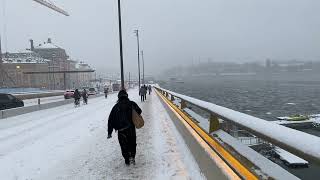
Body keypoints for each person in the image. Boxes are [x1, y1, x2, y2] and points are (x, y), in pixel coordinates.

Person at [107, 90, 142, 166]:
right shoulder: (132, 104)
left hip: (121, 131)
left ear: (119, 97)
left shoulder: (115, 107)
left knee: (123, 145)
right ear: (126, 96)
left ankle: (127, 160)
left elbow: (110, 120)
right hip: (131, 129)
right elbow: (139, 111)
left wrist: (109, 132)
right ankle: (132, 157)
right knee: (132, 143)